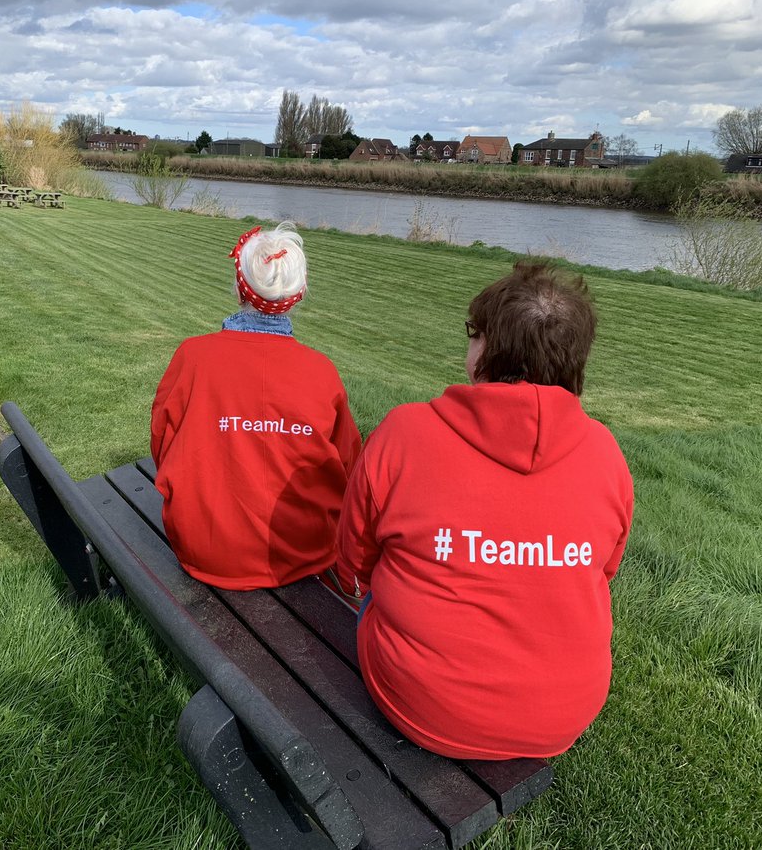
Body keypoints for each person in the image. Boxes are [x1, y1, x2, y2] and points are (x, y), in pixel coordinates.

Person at [335, 259, 633, 760]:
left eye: (474, 334)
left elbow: (353, 564)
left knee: (374, 598)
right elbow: (604, 573)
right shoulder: (606, 455)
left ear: (487, 350)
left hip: (420, 705)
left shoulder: (406, 433)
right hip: (563, 715)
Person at [151, 222, 362, 590]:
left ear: (238, 288)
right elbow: (349, 464)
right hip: (302, 549)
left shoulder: (194, 357)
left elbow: (161, 442)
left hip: (207, 546)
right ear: (299, 293)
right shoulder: (320, 372)